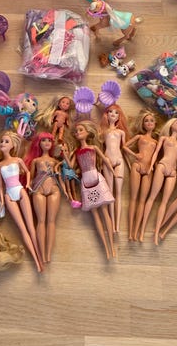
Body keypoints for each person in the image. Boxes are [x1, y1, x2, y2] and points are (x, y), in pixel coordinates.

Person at [0, 131, 43, 272]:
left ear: (13, 145)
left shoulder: (17, 160)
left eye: (6, 141)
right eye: (1, 141)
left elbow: (27, 172)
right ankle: (36, 261)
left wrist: (27, 184)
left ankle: (40, 258)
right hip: (8, 195)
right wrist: (2, 201)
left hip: (20, 190)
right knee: (22, 229)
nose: (3, 143)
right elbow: (0, 186)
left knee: (31, 227)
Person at [69, 120, 116, 260]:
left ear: (88, 133)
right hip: (85, 181)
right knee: (95, 215)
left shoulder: (94, 147)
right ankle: (106, 248)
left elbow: (105, 160)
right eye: (76, 131)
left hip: (96, 177)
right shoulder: (76, 152)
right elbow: (70, 167)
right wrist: (65, 154)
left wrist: (113, 172)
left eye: (81, 130)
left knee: (104, 211)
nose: (78, 133)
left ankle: (112, 246)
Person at [138, 118, 177, 245]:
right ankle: (142, 230)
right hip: (162, 166)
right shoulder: (164, 139)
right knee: (152, 197)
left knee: (165, 202)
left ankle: (156, 234)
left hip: (173, 171)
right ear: (171, 124)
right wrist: (151, 165)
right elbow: (156, 153)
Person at [24, 132, 66, 263]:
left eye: (49, 140)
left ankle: (48, 254)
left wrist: (66, 191)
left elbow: (60, 177)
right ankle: (41, 254)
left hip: (54, 188)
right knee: (41, 221)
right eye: (44, 140)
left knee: (51, 221)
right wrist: (28, 186)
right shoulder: (36, 161)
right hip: (38, 188)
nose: (47, 143)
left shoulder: (55, 161)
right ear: (39, 143)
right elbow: (31, 176)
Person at [123, 110, 158, 241]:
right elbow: (125, 146)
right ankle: (130, 232)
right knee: (133, 198)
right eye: (146, 121)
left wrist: (154, 166)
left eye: (151, 121)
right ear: (143, 124)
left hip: (148, 170)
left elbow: (155, 156)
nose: (149, 123)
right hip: (137, 166)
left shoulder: (156, 142)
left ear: (155, 124)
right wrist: (134, 155)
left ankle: (137, 231)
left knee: (142, 200)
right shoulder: (139, 137)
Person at [99, 103, 130, 233]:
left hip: (119, 160)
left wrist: (130, 162)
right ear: (106, 115)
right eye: (110, 112)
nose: (113, 114)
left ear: (119, 117)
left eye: (116, 112)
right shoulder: (103, 132)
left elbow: (124, 148)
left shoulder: (121, 132)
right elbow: (100, 149)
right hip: (107, 161)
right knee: (110, 193)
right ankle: (111, 225)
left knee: (119, 193)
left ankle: (117, 225)